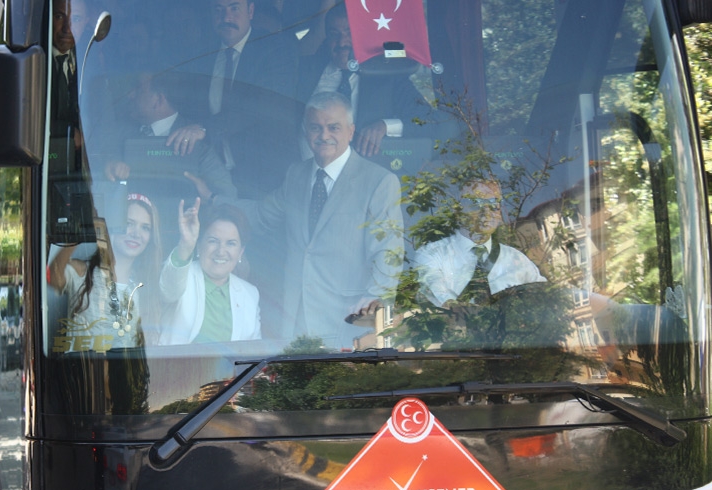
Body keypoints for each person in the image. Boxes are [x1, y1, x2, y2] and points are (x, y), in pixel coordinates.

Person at [191, 91, 403, 348]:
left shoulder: (379, 182)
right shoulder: (297, 175)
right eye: (316, 128)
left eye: (333, 127)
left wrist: (375, 300)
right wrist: (213, 199)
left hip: (349, 324)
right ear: (306, 132)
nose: (324, 135)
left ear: (350, 131)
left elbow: (388, 253)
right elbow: (261, 215)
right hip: (296, 323)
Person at [170, 0, 300, 195]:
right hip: (212, 176)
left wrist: (203, 129)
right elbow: (190, 106)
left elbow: (261, 106)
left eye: (234, 8)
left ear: (251, 10)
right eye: (218, 10)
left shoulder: (276, 50)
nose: (226, 17)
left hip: (264, 176)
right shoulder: (201, 54)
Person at [297, 4, 429, 157]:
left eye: (349, 33)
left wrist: (384, 126)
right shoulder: (303, 72)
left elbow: (433, 121)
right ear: (326, 38)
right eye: (334, 34)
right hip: (305, 174)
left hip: (364, 176)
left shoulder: (386, 77)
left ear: (362, 36)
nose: (342, 43)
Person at [49, 193, 164, 351]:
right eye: (128, 223)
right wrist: (82, 228)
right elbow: (53, 277)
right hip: (85, 374)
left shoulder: (145, 287)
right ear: (112, 226)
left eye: (145, 228)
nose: (136, 234)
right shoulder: (84, 272)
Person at [103, 71, 238, 199]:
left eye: (139, 89)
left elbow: (228, 195)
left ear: (159, 100)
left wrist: (207, 197)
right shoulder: (121, 131)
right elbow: (92, 167)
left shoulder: (197, 139)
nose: (130, 95)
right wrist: (111, 166)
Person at [414, 180, 546, 307]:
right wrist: (454, 306)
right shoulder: (433, 254)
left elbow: (545, 297)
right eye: (476, 204)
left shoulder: (517, 260)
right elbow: (438, 290)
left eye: (494, 204)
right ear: (458, 211)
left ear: (500, 213)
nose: (486, 212)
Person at [159, 200, 261, 345]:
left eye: (231, 243)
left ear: (240, 252)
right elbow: (168, 289)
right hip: (175, 367)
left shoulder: (250, 294)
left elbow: (254, 354)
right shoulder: (182, 276)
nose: (221, 251)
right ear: (199, 246)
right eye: (213, 241)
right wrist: (186, 244)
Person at [49, 0, 89, 176]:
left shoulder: (90, 63)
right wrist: (70, 133)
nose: (68, 28)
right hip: (44, 175)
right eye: (59, 17)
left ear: (86, 23)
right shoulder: (31, 64)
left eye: (77, 19)